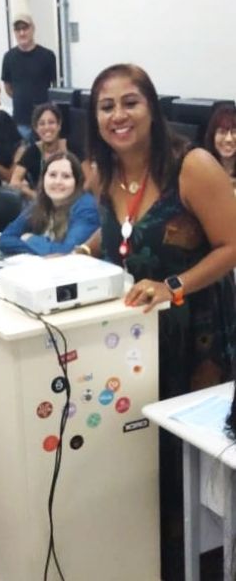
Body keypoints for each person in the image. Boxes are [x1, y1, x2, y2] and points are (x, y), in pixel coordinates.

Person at [84, 63, 236, 579]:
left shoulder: (192, 166)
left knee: (191, 462)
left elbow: (231, 246)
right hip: (134, 336)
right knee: (144, 452)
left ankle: (204, 564)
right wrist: (83, 253)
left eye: (130, 102)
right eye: (106, 106)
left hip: (197, 335)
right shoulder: (101, 171)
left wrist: (174, 285)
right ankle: (159, 562)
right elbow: (123, 233)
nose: (119, 115)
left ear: (152, 107)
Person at [0, 151, 99, 255]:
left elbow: (68, 252)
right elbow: (5, 239)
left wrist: (31, 239)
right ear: (43, 179)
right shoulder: (40, 202)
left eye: (66, 176)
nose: (57, 182)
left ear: (77, 182)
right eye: (52, 175)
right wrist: (42, 249)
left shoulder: (87, 208)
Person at [1, 14, 57, 142]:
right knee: (23, 152)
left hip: (44, 120)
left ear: (33, 29)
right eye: (18, 29)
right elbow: (8, 87)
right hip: (20, 120)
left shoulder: (47, 56)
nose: (22, 33)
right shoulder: (9, 57)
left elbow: (54, 87)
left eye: (25, 28)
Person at [9, 102, 67, 200]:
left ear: (59, 125)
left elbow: (86, 181)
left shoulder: (71, 148)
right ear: (36, 128)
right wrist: (33, 194)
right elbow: (14, 181)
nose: (47, 127)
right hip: (40, 202)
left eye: (51, 122)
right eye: (42, 124)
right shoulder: (32, 151)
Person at [203, 104, 236, 188]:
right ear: (213, 136)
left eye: (234, 132)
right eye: (222, 132)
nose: (228, 139)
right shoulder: (202, 169)